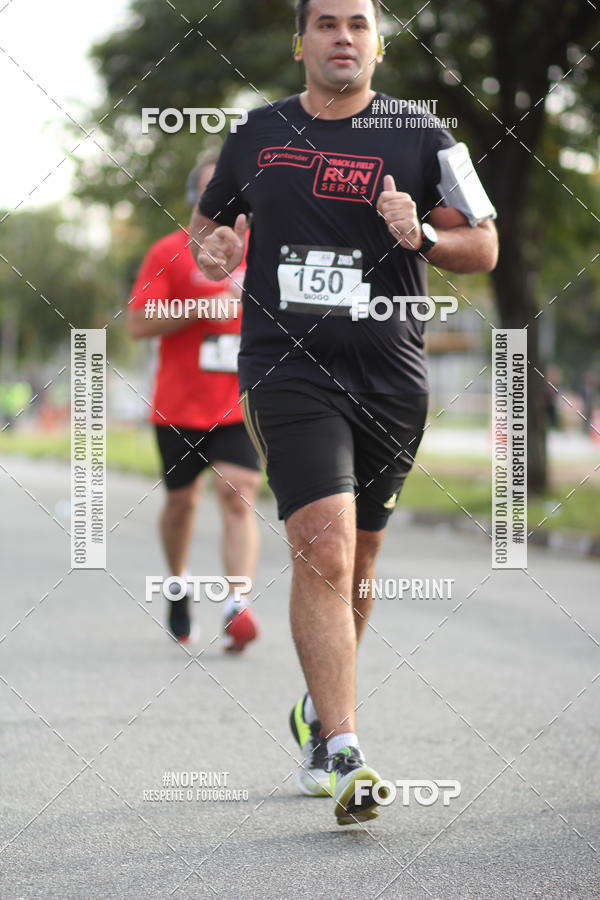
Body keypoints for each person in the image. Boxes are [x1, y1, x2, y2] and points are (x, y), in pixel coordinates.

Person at [189, 0, 498, 824]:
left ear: (378, 43)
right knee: (322, 548)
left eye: (358, 24)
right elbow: (209, 226)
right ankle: (347, 749)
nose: (342, 38)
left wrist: (424, 239)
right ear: (302, 41)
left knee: (358, 565)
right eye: (326, 24)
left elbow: (485, 245)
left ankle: (318, 718)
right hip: (287, 370)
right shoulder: (257, 132)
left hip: (392, 375)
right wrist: (213, 248)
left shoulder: (426, 135)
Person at [128, 154, 262, 651]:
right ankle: (179, 581)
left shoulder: (262, 253)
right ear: (195, 201)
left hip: (237, 404)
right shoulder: (168, 251)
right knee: (182, 504)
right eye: (213, 192)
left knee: (239, 492)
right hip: (178, 407)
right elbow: (139, 323)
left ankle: (237, 604)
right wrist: (199, 306)